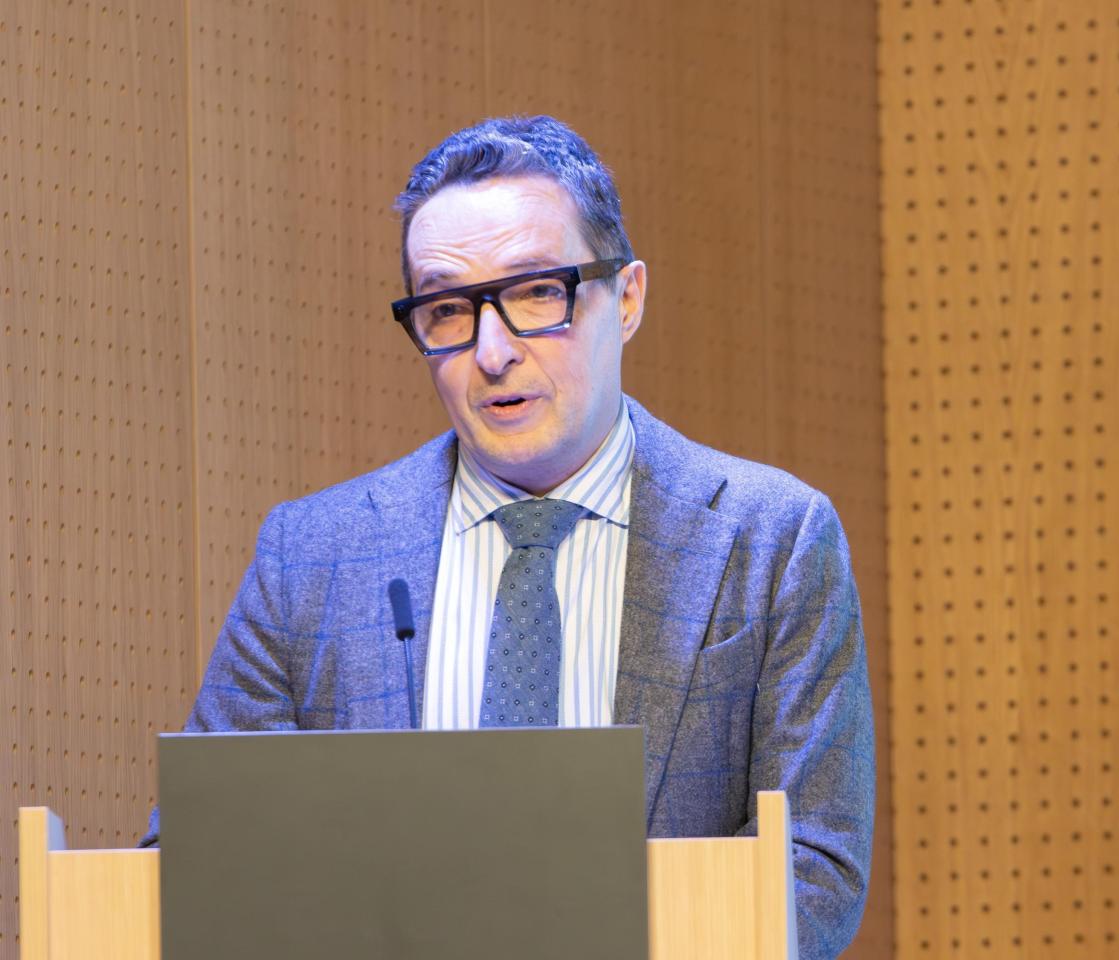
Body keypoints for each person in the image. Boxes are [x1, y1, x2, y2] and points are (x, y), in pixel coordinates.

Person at [148, 115, 875, 958]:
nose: (492, 352)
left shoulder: (771, 540)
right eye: (448, 309)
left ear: (627, 299)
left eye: (536, 293)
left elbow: (814, 870)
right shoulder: (312, 558)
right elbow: (194, 860)